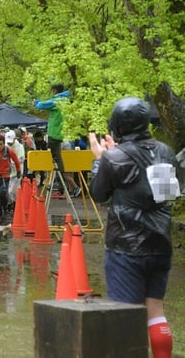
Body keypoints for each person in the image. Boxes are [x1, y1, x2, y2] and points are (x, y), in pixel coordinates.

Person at [89, 97, 179, 358]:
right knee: (155, 311)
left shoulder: (113, 158)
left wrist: (100, 160)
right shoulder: (164, 152)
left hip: (126, 247)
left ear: (117, 125)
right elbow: (162, 196)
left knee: (125, 316)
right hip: (160, 243)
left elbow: (99, 194)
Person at [33, 83, 81, 196]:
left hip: (54, 134)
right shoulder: (65, 100)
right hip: (60, 133)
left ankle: (71, 184)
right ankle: (58, 182)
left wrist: (36, 102)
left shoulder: (56, 101)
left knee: (57, 160)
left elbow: (42, 105)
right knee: (55, 159)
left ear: (54, 91)